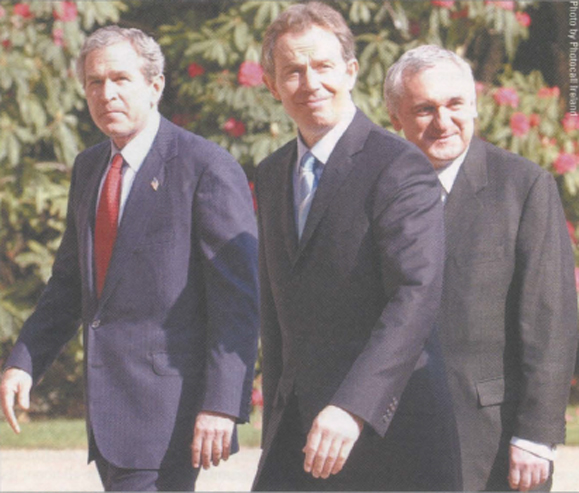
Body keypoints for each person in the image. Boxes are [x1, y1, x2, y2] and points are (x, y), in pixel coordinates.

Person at [0, 26, 259, 492]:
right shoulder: (89, 168)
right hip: (110, 416)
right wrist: (24, 361)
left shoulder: (205, 168)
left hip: (170, 416)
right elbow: (69, 284)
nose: (107, 93)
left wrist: (222, 403)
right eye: (94, 82)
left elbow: (237, 301)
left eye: (121, 79)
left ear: (155, 86)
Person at [252, 3, 461, 491]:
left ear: (350, 71)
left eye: (323, 66)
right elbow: (280, 314)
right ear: (271, 85)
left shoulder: (399, 166)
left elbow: (416, 295)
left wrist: (353, 406)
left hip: (394, 437)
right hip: (300, 436)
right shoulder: (271, 174)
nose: (310, 83)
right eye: (293, 72)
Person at [384, 44, 579, 492]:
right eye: (424, 108)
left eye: (455, 104)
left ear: (474, 107)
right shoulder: (377, 188)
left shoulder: (523, 186)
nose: (443, 121)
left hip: (489, 439)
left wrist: (536, 435)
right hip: (388, 438)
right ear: (396, 117)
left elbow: (550, 319)